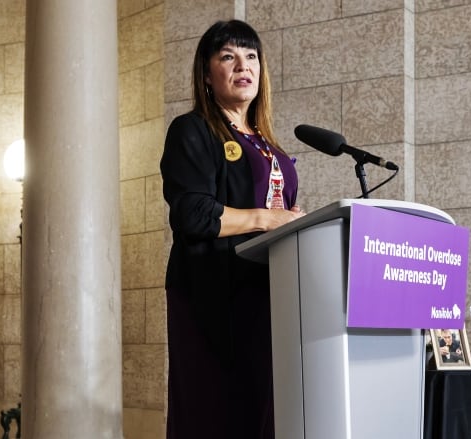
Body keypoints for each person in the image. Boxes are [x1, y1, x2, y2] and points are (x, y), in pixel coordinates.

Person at [160, 20, 305, 439]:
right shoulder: (194, 130)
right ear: (207, 73)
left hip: (268, 293)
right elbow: (193, 215)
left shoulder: (268, 143)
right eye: (228, 56)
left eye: (251, 56)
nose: (243, 65)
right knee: (217, 412)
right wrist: (268, 218)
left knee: (263, 413)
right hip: (212, 295)